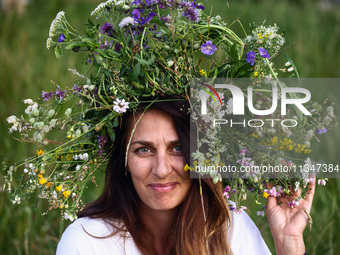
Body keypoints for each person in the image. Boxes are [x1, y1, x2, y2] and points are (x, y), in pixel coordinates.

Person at [56, 97, 315, 255]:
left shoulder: (229, 225)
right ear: (124, 162)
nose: (162, 169)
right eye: (143, 150)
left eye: (177, 148)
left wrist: (289, 246)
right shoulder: (86, 241)